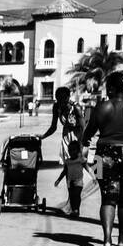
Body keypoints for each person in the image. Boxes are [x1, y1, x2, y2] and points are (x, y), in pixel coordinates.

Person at [80, 71, 123, 246]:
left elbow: (87, 133)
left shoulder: (100, 108)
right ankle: (122, 239)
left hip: (102, 155)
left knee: (107, 198)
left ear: (110, 88)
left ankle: (107, 240)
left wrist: (85, 143)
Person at [41, 86, 85, 218]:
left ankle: (76, 207)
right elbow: (53, 126)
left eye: (62, 98)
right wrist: (42, 137)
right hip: (66, 139)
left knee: (76, 173)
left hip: (77, 139)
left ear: (67, 97)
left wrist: (81, 146)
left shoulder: (76, 107)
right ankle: (72, 203)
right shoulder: (56, 107)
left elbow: (84, 127)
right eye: (57, 98)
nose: (59, 101)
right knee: (68, 171)